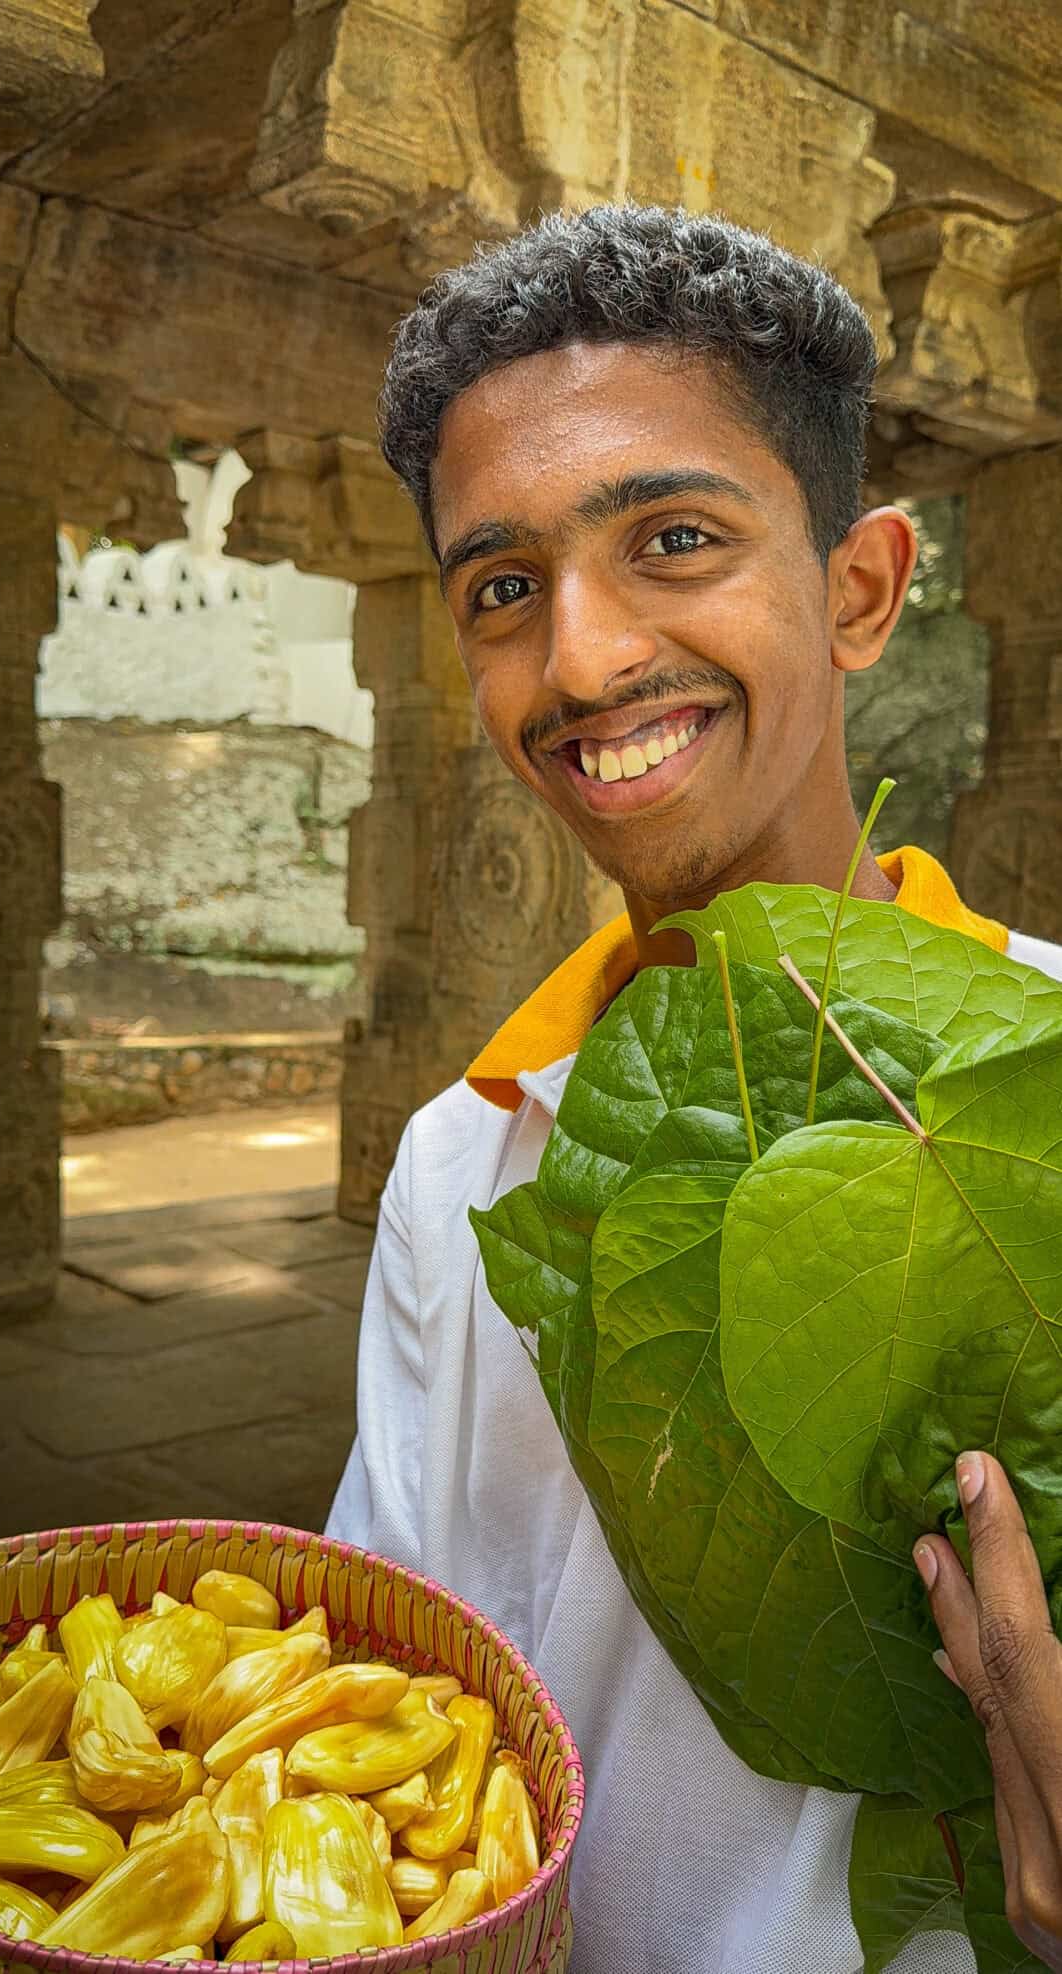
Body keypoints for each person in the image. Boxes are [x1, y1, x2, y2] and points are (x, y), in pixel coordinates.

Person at [326, 204, 1062, 1973]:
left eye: (672, 538)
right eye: (501, 588)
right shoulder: (466, 1159)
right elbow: (410, 1683)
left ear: (861, 589)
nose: (579, 664)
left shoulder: (1037, 1063)